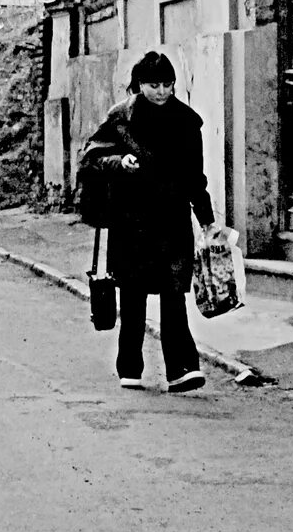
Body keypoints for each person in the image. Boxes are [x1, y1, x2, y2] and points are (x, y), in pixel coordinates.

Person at [80, 50, 214, 392]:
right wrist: (119, 162)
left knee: (173, 296)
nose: (162, 92)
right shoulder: (121, 118)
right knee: (134, 295)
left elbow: (194, 178)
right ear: (140, 84)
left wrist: (208, 221)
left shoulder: (187, 122)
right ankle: (130, 367)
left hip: (172, 220)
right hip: (131, 220)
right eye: (154, 85)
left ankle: (180, 370)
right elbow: (91, 157)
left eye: (168, 84)